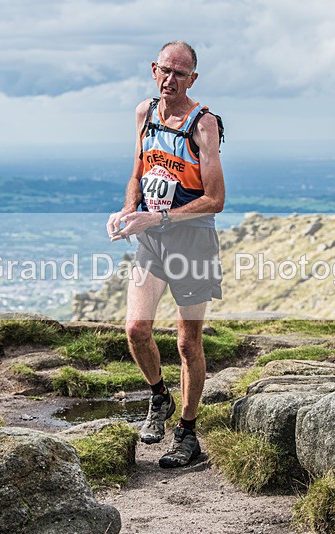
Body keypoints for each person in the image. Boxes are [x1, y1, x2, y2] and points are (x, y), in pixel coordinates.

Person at [106, 41, 225, 466]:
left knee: (187, 344)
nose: (170, 80)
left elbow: (215, 199)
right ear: (153, 70)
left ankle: (188, 435)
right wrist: (127, 211)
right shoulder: (144, 113)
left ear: (193, 79)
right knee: (136, 328)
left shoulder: (204, 124)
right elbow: (138, 172)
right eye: (165, 71)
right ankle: (160, 397)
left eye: (180, 74)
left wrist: (155, 219)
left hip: (193, 244)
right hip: (152, 243)